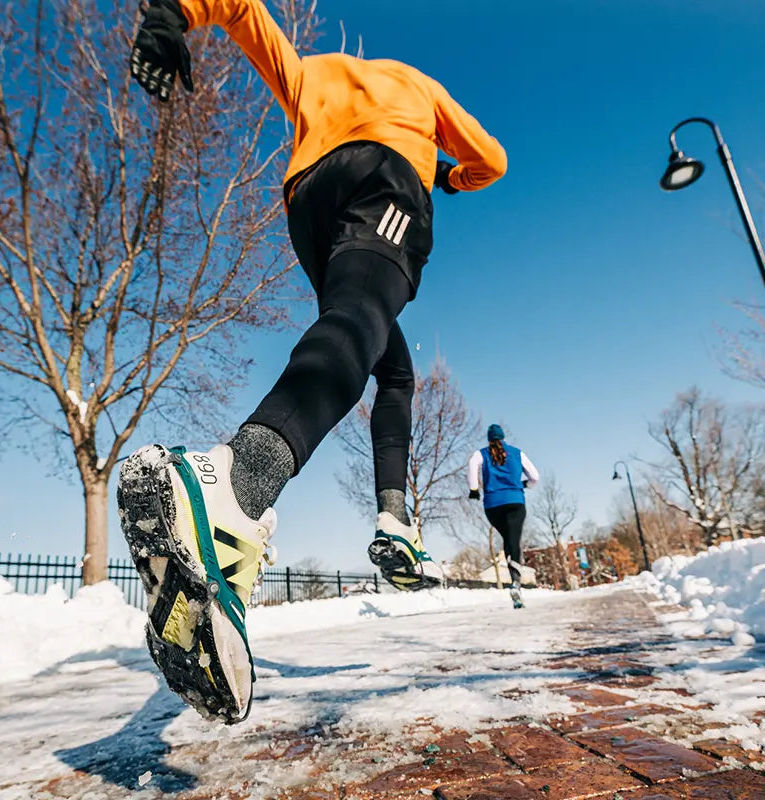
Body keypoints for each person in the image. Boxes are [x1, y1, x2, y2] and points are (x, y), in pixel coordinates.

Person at [119, 0, 507, 725]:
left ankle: (372, 525)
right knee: (362, 319)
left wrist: (171, 16)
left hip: (310, 199)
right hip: (386, 179)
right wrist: (450, 180)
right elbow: (493, 158)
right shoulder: (415, 85)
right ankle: (238, 484)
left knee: (385, 359)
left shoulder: (313, 75)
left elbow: (241, 11)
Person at [467, 424, 538, 609]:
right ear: (503, 437)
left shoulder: (481, 453)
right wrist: (525, 485)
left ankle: (515, 583)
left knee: (508, 539)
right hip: (515, 502)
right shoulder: (517, 453)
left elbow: (472, 464)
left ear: (489, 439)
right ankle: (516, 583)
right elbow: (535, 477)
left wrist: (474, 489)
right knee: (514, 541)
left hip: (492, 505)